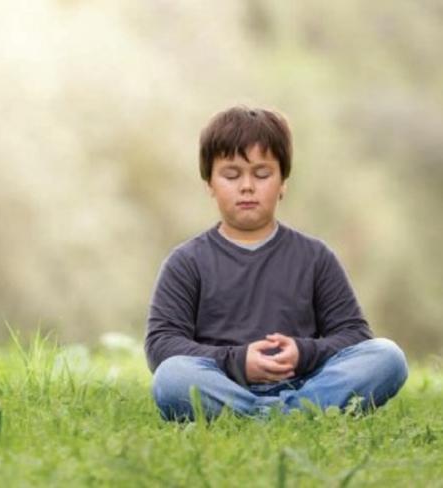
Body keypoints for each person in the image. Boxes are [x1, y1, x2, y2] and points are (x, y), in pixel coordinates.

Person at [144, 106, 408, 422]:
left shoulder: (315, 256)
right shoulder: (186, 262)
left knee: (387, 357)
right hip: (224, 384)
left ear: (283, 182)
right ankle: (297, 416)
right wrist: (237, 361)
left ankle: (268, 415)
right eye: (231, 174)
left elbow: (353, 335)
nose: (246, 186)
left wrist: (303, 352)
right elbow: (162, 344)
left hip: (307, 383)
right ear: (209, 184)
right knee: (172, 377)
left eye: (262, 174)